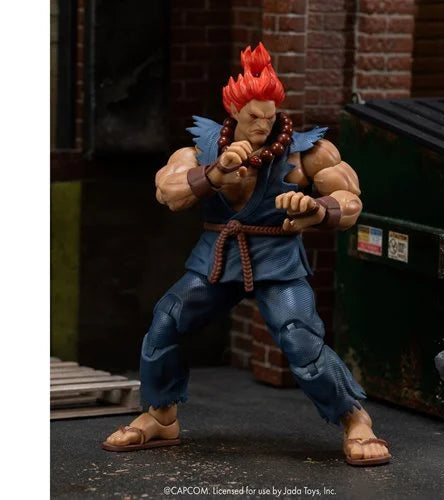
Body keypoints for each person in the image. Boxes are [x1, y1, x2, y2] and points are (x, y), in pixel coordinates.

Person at [103, 43, 391, 466]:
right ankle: (161, 416)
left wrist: (315, 210)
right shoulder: (200, 150)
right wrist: (215, 173)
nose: (262, 124)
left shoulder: (307, 152)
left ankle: (354, 418)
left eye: (269, 116)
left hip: (277, 258)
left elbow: (351, 201)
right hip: (217, 257)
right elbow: (168, 192)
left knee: (298, 336)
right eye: (254, 116)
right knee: (167, 320)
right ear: (234, 111)